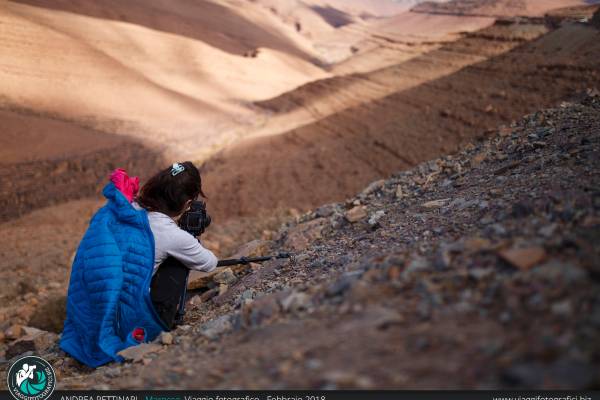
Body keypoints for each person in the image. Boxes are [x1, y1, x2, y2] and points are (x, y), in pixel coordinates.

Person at [60, 162, 217, 368]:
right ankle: (163, 325)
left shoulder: (125, 208)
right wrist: (189, 236)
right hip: (125, 323)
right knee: (177, 262)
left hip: (91, 313)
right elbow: (210, 263)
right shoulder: (171, 234)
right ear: (187, 202)